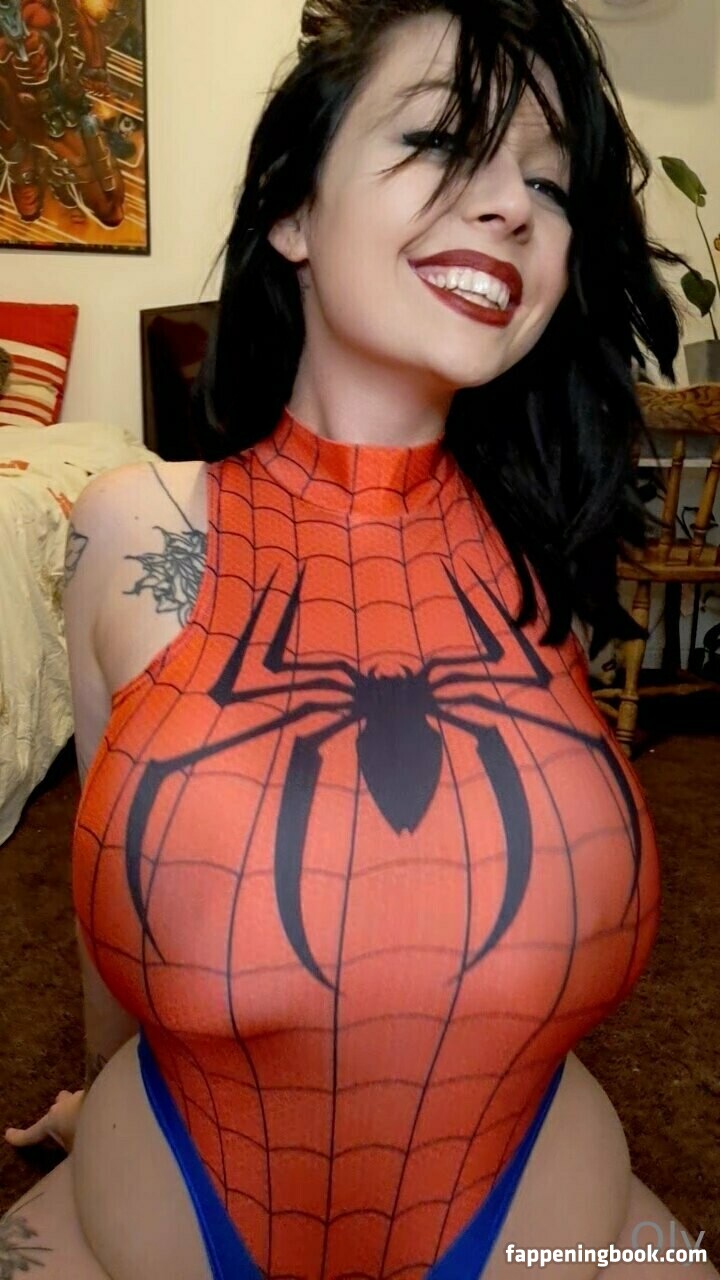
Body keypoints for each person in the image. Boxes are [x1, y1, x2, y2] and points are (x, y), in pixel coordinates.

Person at [3, 1, 717, 1277]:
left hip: (547, 1214)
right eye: (441, 139)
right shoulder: (132, 528)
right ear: (293, 208)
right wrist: (103, 1080)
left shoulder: (544, 556)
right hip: (167, 1192)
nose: (511, 207)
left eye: (550, 185)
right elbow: (106, 867)